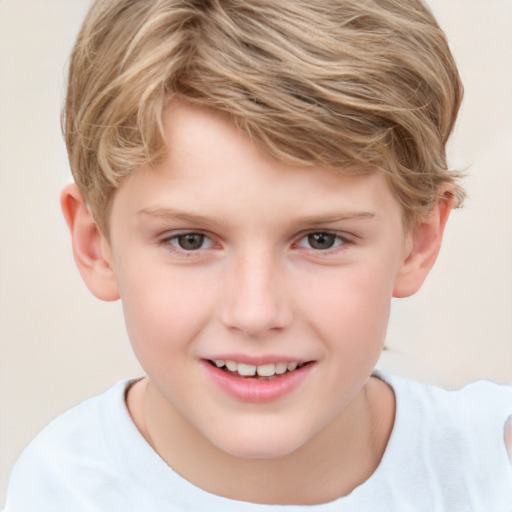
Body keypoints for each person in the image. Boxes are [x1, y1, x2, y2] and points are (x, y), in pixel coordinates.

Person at [3, 0, 512, 510]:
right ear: (97, 245)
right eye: (190, 240)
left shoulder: (494, 469)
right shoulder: (58, 492)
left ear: (417, 240)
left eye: (321, 240)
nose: (255, 312)